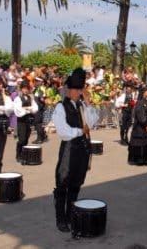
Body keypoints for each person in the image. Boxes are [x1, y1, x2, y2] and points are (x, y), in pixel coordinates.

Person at [52, 68, 98, 233]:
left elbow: (92, 122)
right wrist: (80, 131)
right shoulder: (60, 107)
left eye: (81, 89)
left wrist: (88, 103)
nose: (79, 92)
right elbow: (63, 131)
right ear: (69, 90)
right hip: (70, 149)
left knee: (76, 184)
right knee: (63, 183)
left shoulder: (82, 106)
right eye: (77, 89)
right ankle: (60, 219)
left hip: (82, 149)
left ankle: (70, 215)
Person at [128, 86, 147, 165]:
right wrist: (146, 124)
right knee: (140, 142)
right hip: (140, 127)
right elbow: (140, 116)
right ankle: (139, 160)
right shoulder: (139, 103)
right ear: (143, 93)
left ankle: (146, 159)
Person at [13, 80, 38, 163]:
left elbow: (35, 108)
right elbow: (18, 110)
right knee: (22, 139)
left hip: (28, 120)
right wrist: (28, 110)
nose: (25, 90)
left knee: (27, 138)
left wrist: (28, 109)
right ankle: (18, 155)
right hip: (21, 121)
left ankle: (24, 155)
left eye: (27, 88)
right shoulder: (18, 98)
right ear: (21, 89)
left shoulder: (31, 98)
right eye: (24, 88)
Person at [32, 77, 48, 144]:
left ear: (41, 82)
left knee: (38, 123)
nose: (35, 82)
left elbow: (42, 99)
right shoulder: (38, 88)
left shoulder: (40, 89)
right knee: (39, 123)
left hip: (39, 108)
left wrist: (42, 105)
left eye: (37, 81)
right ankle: (43, 136)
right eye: (35, 81)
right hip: (39, 108)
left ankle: (39, 139)